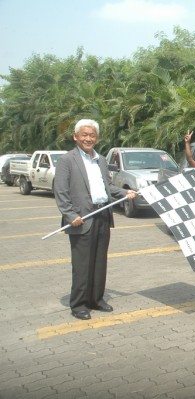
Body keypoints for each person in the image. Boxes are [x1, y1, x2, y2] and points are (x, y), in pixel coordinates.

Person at [54, 119, 137, 320]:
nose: (88, 138)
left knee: (100, 262)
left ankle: (96, 300)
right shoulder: (67, 160)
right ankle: (79, 304)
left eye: (92, 135)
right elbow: (61, 191)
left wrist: (125, 192)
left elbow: (108, 187)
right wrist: (71, 215)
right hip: (82, 219)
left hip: (102, 216)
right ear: (76, 137)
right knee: (82, 265)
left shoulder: (100, 159)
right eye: (84, 134)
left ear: (96, 138)